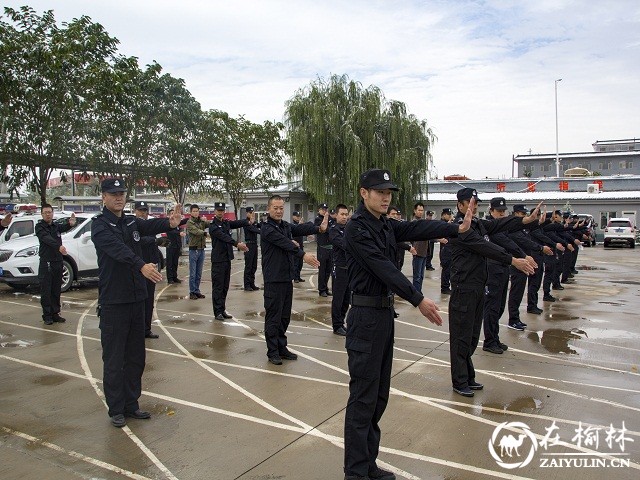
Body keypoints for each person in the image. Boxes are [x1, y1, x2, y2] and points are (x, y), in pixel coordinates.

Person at [343, 169, 471, 480]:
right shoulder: (357, 229)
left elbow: (418, 226)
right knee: (363, 397)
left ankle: (368, 465)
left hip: (384, 316)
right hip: (365, 318)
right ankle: (356, 473)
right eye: (379, 191)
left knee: (378, 396)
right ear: (364, 193)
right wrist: (418, 299)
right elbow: (383, 267)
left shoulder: (385, 224)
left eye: (389, 192)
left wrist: (454, 228)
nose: (386, 197)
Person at [91, 178, 183, 428]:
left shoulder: (130, 220)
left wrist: (170, 223)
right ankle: (116, 408)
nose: (119, 197)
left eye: (121, 193)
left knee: (135, 357)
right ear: (104, 197)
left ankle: (132, 404)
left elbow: (149, 225)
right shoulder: (99, 226)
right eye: (113, 194)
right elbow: (118, 250)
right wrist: (141, 265)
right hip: (114, 302)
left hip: (136, 299)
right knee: (114, 358)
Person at [448, 188, 538, 398]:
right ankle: (459, 381)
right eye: (469, 204)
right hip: (464, 289)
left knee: (471, 337)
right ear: (460, 205)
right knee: (461, 338)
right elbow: (483, 247)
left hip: (478, 288)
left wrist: (526, 221)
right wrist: (513, 260)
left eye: (476, 204)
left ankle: (468, 376)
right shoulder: (459, 228)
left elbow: (499, 224)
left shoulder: (478, 224)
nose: (473, 207)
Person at [260, 195, 327, 365]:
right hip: (273, 279)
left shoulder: (284, 226)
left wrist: (318, 229)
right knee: (274, 317)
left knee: (284, 316)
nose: (278, 211)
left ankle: (282, 347)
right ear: (269, 209)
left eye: (281, 208)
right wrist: (303, 254)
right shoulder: (267, 228)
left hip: (286, 278)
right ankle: (272, 351)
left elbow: (300, 229)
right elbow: (284, 242)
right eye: (275, 208)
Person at [481, 197, 530, 354]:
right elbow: (505, 241)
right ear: (491, 211)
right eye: (498, 211)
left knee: (500, 306)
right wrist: (522, 255)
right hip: (492, 270)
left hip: (502, 269)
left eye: (503, 211)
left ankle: (494, 337)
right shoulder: (489, 227)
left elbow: (511, 238)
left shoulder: (501, 227)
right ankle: (489, 341)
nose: (502, 214)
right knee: (492, 307)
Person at [35, 204, 76, 325]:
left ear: (53, 213)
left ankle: (55, 313)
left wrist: (70, 224)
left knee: (56, 289)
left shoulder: (55, 226)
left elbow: (64, 227)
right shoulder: (39, 227)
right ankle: (47, 315)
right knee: (46, 290)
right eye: (45, 212)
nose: (48, 214)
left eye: (50, 212)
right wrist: (58, 246)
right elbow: (46, 239)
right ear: (42, 214)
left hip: (57, 262)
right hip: (46, 262)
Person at [208, 202, 249, 320]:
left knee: (225, 286)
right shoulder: (213, 226)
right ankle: (217, 312)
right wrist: (237, 244)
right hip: (218, 260)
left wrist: (246, 220)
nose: (220, 212)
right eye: (218, 210)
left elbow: (235, 223)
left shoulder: (225, 223)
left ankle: (222, 309)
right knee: (218, 287)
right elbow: (223, 237)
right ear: (215, 211)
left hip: (226, 258)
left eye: (222, 210)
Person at [134, 201, 162, 339]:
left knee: (149, 299)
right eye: (140, 210)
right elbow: (138, 241)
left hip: (152, 266)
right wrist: (153, 240)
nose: (143, 213)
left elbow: (153, 244)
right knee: (139, 299)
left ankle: (146, 328)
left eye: (145, 210)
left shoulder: (149, 226)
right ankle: (138, 329)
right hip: (140, 267)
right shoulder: (133, 226)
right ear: (135, 211)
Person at [329, 204, 350, 336]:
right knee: (338, 298)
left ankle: (341, 322)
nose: (344, 217)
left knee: (347, 299)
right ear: (336, 215)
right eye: (342, 214)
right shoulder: (334, 230)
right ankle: (337, 325)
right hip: (339, 268)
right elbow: (343, 244)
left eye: (346, 214)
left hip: (349, 269)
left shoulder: (349, 228)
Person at [186, 204, 209, 300]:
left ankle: (197, 290)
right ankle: (192, 292)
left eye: (197, 211)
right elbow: (196, 231)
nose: (196, 213)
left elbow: (209, 224)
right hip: (193, 249)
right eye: (194, 211)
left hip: (201, 249)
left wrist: (206, 221)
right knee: (193, 273)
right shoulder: (190, 222)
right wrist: (205, 233)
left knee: (199, 273)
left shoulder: (201, 221)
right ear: (191, 212)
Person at [314, 203, 333, 296]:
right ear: (319, 210)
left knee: (328, 269)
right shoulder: (318, 220)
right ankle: (321, 289)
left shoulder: (330, 219)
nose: (325, 211)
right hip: (322, 248)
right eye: (323, 209)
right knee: (322, 269)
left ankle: (325, 287)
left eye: (326, 209)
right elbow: (324, 229)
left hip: (330, 247)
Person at [165, 207, 187, 284]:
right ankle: (170, 278)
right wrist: (179, 233)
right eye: (171, 213)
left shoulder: (177, 223)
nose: (173, 215)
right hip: (170, 246)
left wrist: (191, 217)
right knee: (169, 263)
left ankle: (175, 277)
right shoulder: (168, 223)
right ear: (168, 215)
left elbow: (184, 221)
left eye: (174, 213)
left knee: (175, 262)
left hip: (177, 246)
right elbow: (170, 232)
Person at [410, 202, 428, 293]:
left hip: (424, 252)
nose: (420, 212)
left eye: (422, 210)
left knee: (421, 275)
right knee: (417, 275)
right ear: (415, 210)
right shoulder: (414, 223)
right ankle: (416, 293)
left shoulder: (423, 222)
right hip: (417, 252)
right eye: (419, 210)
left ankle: (419, 291)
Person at [242, 206, 261, 291]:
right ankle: (247, 285)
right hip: (248, 245)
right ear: (247, 213)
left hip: (254, 245)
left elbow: (261, 226)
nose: (252, 214)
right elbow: (254, 230)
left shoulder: (255, 222)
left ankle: (252, 283)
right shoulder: (246, 222)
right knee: (248, 266)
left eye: (253, 213)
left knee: (254, 266)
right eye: (250, 213)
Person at [439, 208, 454, 294]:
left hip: (449, 249)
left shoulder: (448, 223)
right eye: (448, 215)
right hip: (445, 250)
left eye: (450, 214)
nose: (449, 216)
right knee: (446, 269)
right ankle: (444, 287)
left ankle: (447, 286)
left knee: (449, 269)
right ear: (443, 215)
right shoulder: (441, 224)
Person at [291, 211, 305, 282]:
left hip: (301, 245)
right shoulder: (292, 225)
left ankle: (298, 276)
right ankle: (295, 277)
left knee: (300, 263)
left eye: (299, 216)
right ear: (293, 216)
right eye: (296, 216)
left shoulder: (299, 224)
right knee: (295, 263)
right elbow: (294, 233)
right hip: (295, 246)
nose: (298, 217)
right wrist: (299, 225)